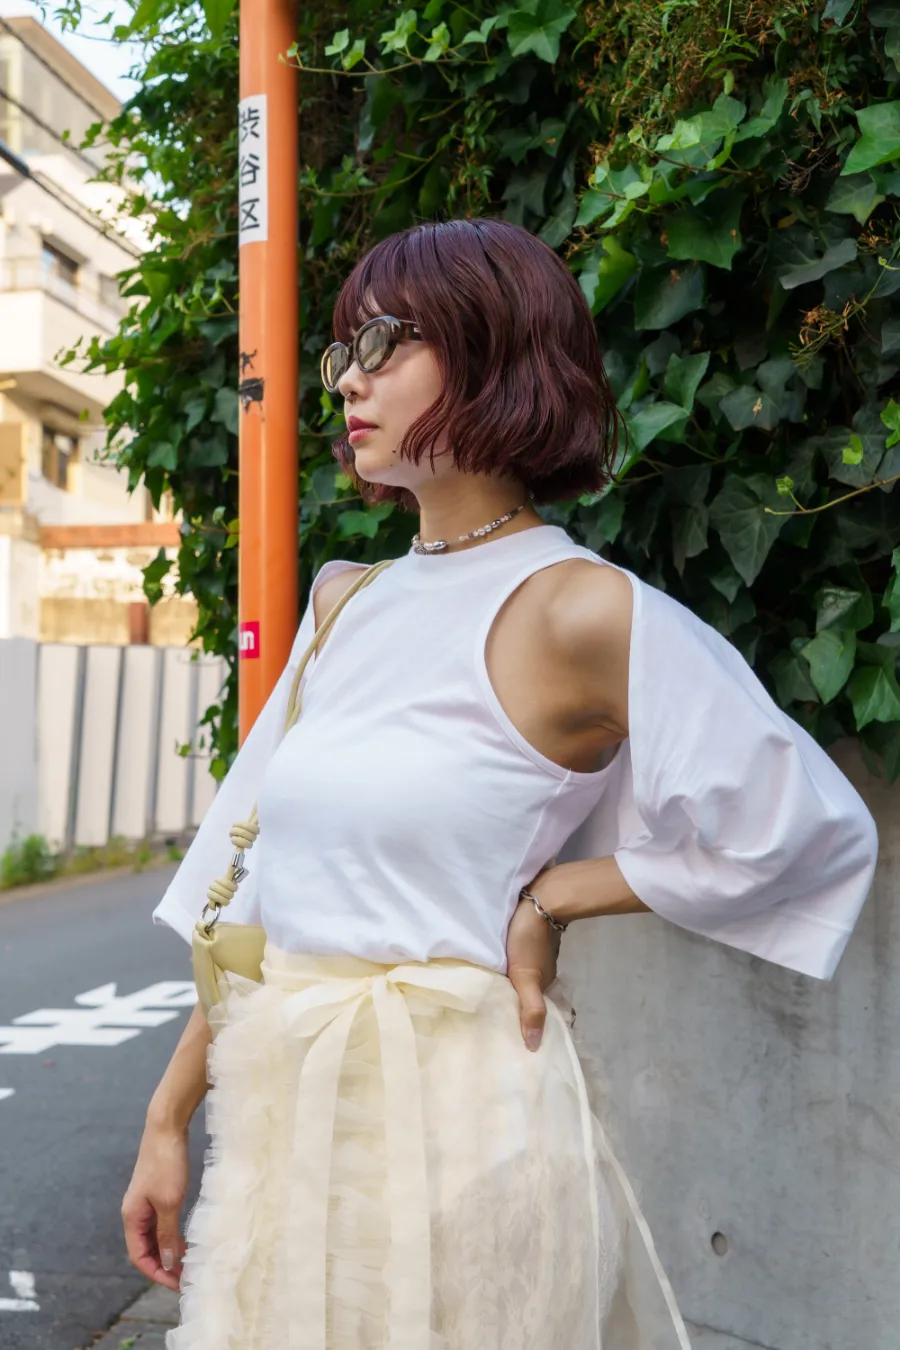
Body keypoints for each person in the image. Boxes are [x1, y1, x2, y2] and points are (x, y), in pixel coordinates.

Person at [122, 218, 878, 1350]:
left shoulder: (577, 609)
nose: (350, 380)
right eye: (343, 353)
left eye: (387, 342)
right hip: (288, 1132)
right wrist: (167, 1117)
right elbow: (258, 888)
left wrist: (556, 896)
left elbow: (801, 827)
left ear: (496, 349)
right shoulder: (345, 603)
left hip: (465, 1137)